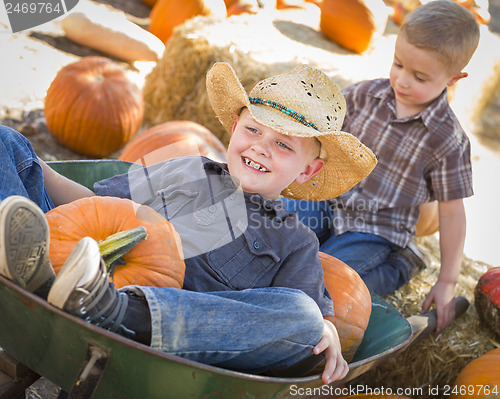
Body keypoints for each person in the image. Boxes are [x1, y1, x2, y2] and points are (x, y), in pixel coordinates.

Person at [0, 62, 377, 384]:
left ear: (308, 170)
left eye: (284, 145)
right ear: (234, 128)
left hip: (156, 341)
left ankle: (113, 310)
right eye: (254, 130)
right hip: (77, 263)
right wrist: (31, 164)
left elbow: (301, 324)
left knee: (303, 317)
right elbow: (98, 209)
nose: (261, 146)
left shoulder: (295, 240)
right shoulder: (188, 168)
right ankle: (23, 257)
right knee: (7, 140)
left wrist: (325, 327)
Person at [283, 0, 480, 333]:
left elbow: (450, 213)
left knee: (325, 284)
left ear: (453, 78)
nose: (402, 81)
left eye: (419, 76)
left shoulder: (448, 141)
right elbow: (320, 134)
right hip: (328, 200)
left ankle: (401, 263)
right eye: (398, 64)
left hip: (376, 228)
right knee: (276, 234)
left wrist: (447, 280)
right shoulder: (364, 95)